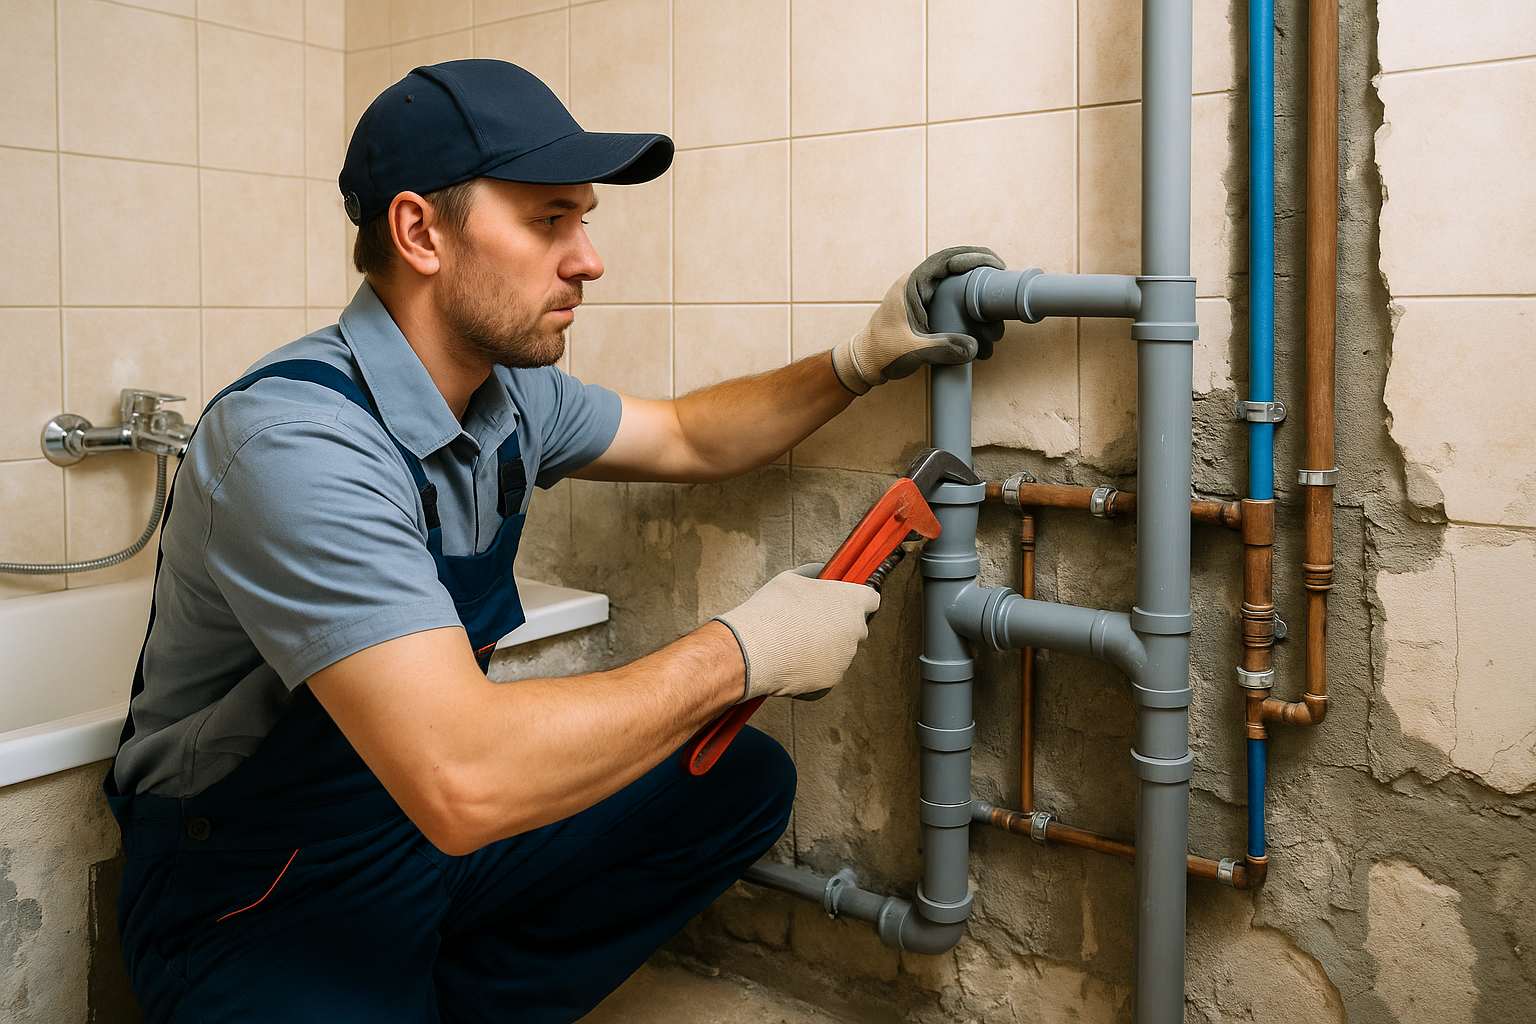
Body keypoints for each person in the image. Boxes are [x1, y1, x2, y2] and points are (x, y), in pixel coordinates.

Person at [105, 59, 1001, 1023]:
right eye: (548, 221)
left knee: (737, 783)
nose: (588, 259)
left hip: (412, 833)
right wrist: (743, 653)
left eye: (584, 220)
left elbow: (690, 436)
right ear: (419, 232)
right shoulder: (295, 443)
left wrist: (857, 360)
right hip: (261, 883)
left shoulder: (509, 395)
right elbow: (461, 777)